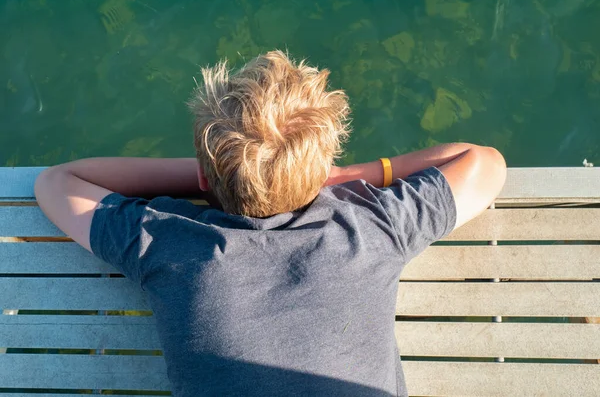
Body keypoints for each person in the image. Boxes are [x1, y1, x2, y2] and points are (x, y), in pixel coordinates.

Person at [35, 50, 507, 396]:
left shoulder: (168, 243)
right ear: (322, 169)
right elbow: (484, 164)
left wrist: (216, 172)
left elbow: (58, 182)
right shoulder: (370, 227)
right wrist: (340, 176)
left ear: (203, 174)